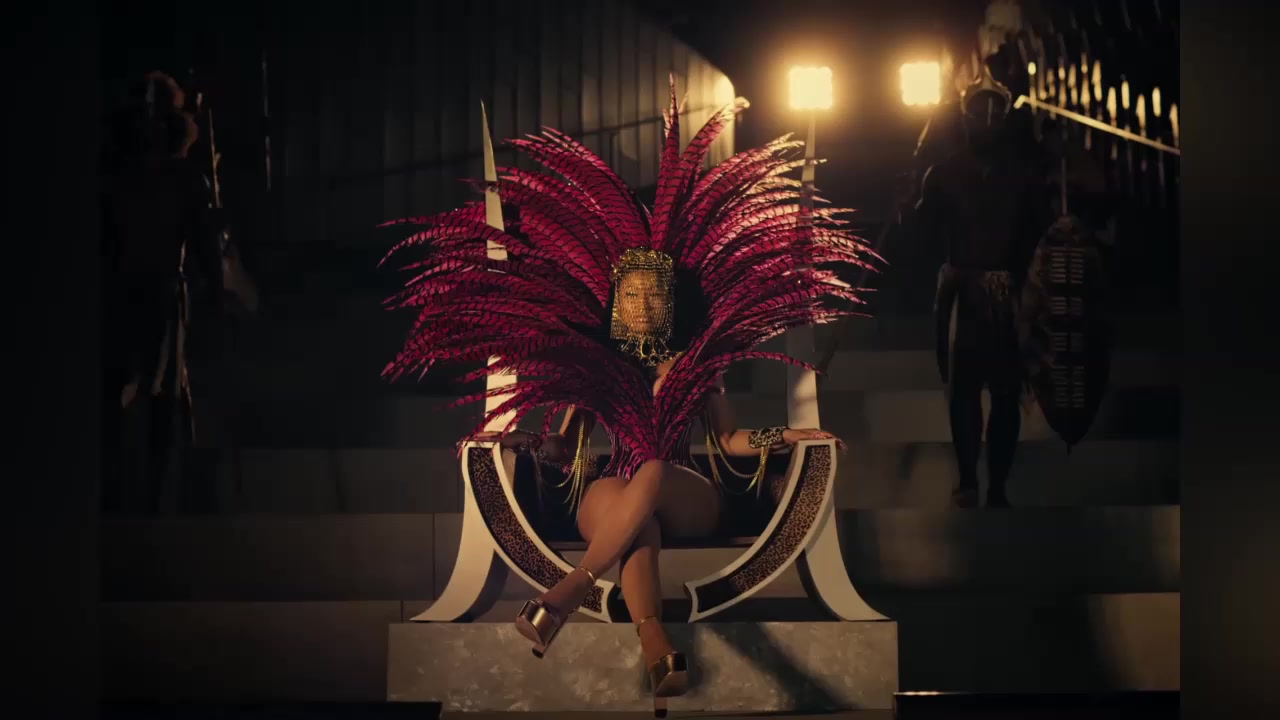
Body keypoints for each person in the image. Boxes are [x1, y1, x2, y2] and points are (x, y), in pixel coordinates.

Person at [381, 80, 873, 707]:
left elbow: (728, 439)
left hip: (684, 489)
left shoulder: (693, 364)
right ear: (617, 299)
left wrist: (790, 434)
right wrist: (526, 441)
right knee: (635, 522)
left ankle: (565, 595)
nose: (641, 302)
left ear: (668, 300)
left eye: (651, 293)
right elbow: (565, 449)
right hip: (613, 492)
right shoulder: (598, 366)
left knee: (654, 472)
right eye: (632, 293)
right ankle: (656, 647)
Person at [913, 69, 1048, 509]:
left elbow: (1040, 235)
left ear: (1004, 118)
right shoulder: (944, 173)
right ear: (965, 116)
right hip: (962, 296)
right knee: (964, 391)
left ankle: (998, 487)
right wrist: (912, 200)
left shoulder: (1024, 176)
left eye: (994, 113)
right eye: (979, 112)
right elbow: (923, 231)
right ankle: (969, 479)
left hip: (1010, 295)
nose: (987, 120)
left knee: (1006, 394)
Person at [102, 71, 223, 512]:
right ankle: (149, 497)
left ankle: (137, 496)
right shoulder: (180, 179)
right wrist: (215, 289)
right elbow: (205, 246)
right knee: (160, 398)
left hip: (127, 297)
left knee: (135, 394)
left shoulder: (120, 177)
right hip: (151, 297)